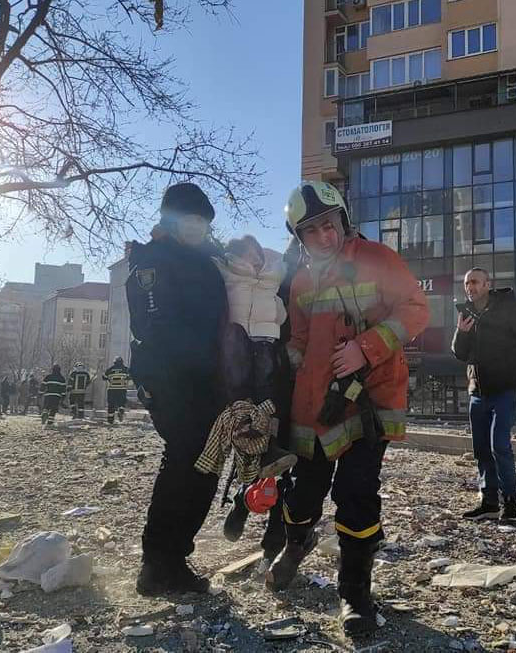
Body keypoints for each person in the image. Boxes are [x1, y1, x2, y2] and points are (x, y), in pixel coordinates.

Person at [265, 181, 429, 637]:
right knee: (300, 494)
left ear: (343, 219)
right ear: (300, 238)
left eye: (329, 224)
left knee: (356, 495)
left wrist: (367, 346)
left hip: (369, 400)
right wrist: (279, 364)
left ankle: (354, 592)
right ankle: (297, 543)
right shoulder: (299, 279)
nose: (324, 235)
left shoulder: (378, 259)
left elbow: (416, 309)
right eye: (311, 230)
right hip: (313, 406)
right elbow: (298, 339)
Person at [126, 182, 236, 596]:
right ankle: (157, 563)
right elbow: (155, 325)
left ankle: (175, 556)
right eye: (191, 220)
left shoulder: (204, 260)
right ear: (171, 220)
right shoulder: (152, 259)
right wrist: (203, 358)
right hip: (170, 378)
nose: (199, 228)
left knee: (206, 464)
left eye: (204, 222)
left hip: (207, 380)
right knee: (183, 458)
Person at [215, 234, 298, 562]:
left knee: (290, 461)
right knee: (258, 443)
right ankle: (242, 500)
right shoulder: (283, 272)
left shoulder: (311, 271)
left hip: (301, 374)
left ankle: (275, 541)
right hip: (274, 367)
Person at [452, 267, 516, 522]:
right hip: (478, 392)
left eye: (476, 282)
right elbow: (459, 353)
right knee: (481, 449)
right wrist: (462, 332)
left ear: (487, 284)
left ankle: (511, 503)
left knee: (499, 446)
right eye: (467, 283)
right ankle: (489, 502)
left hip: (506, 389)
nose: (471, 287)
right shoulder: (467, 314)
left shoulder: (508, 309)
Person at [103, 357, 131, 424]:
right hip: (122, 389)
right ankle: (121, 409)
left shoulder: (109, 369)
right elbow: (130, 377)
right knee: (122, 403)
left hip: (111, 390)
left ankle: (110, 421)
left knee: (111, 405)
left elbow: (104, 377)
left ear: (114, 362)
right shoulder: (126, 369)